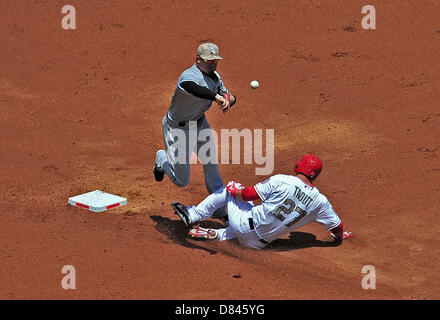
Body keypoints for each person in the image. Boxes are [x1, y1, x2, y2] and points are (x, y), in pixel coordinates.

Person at [171, 154, 353, 249]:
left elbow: (247, 195)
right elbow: (337, 227)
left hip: (244, 225)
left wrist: (235, 191)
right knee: (260, 218)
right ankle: (219, 234)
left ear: (300, 166)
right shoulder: (320, 201)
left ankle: (192, 215)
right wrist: (339, 238)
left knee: (232, 188)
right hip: (256, 245)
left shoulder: (282, 180)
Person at [153, 43, 236, 224]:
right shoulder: (189, 76)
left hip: (199, 125)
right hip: (177, 129)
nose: (213, 65)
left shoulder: (215, 77)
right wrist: (215, 97)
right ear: (198, 60)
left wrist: (229, 99)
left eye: (215, 61)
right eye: (209, 61)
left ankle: (220, 210)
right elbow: (192, 88)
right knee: (181, 180)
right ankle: (161, 159)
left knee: (211, 165)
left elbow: (228, 95)